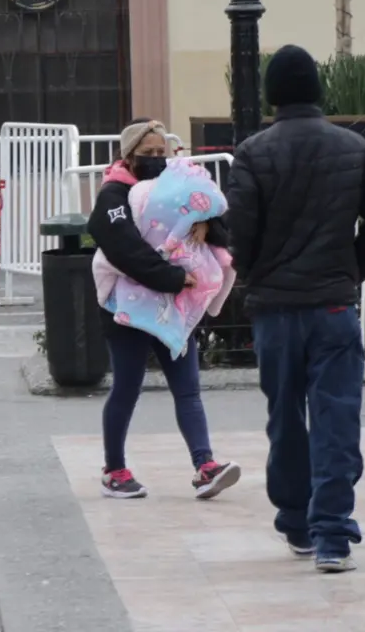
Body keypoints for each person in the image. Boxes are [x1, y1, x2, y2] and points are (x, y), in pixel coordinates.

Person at [225, 44, 365, 573]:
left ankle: (296, 520)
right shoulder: (353, 147)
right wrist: (351, 273)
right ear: (318, 90)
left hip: (276, 308)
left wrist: (254, 276)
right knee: (336, 417)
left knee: (286, 417)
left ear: (271, 95)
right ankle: (332, 533)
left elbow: (241, 232)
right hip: (331, 305)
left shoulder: (252, 153)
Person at [86, 118, 241, 500]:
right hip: (129, 307)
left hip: (174, 307)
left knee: (187, 388)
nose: (156, 159)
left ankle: (205, 466)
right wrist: (171, 278)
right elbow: (124, 248)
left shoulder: (178, 187)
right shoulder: (114, 195)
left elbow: (216, 220)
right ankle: (114, 470)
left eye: (162, 152)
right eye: (147, 153)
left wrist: (207, 227)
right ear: (129, 155)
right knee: (126, 386)